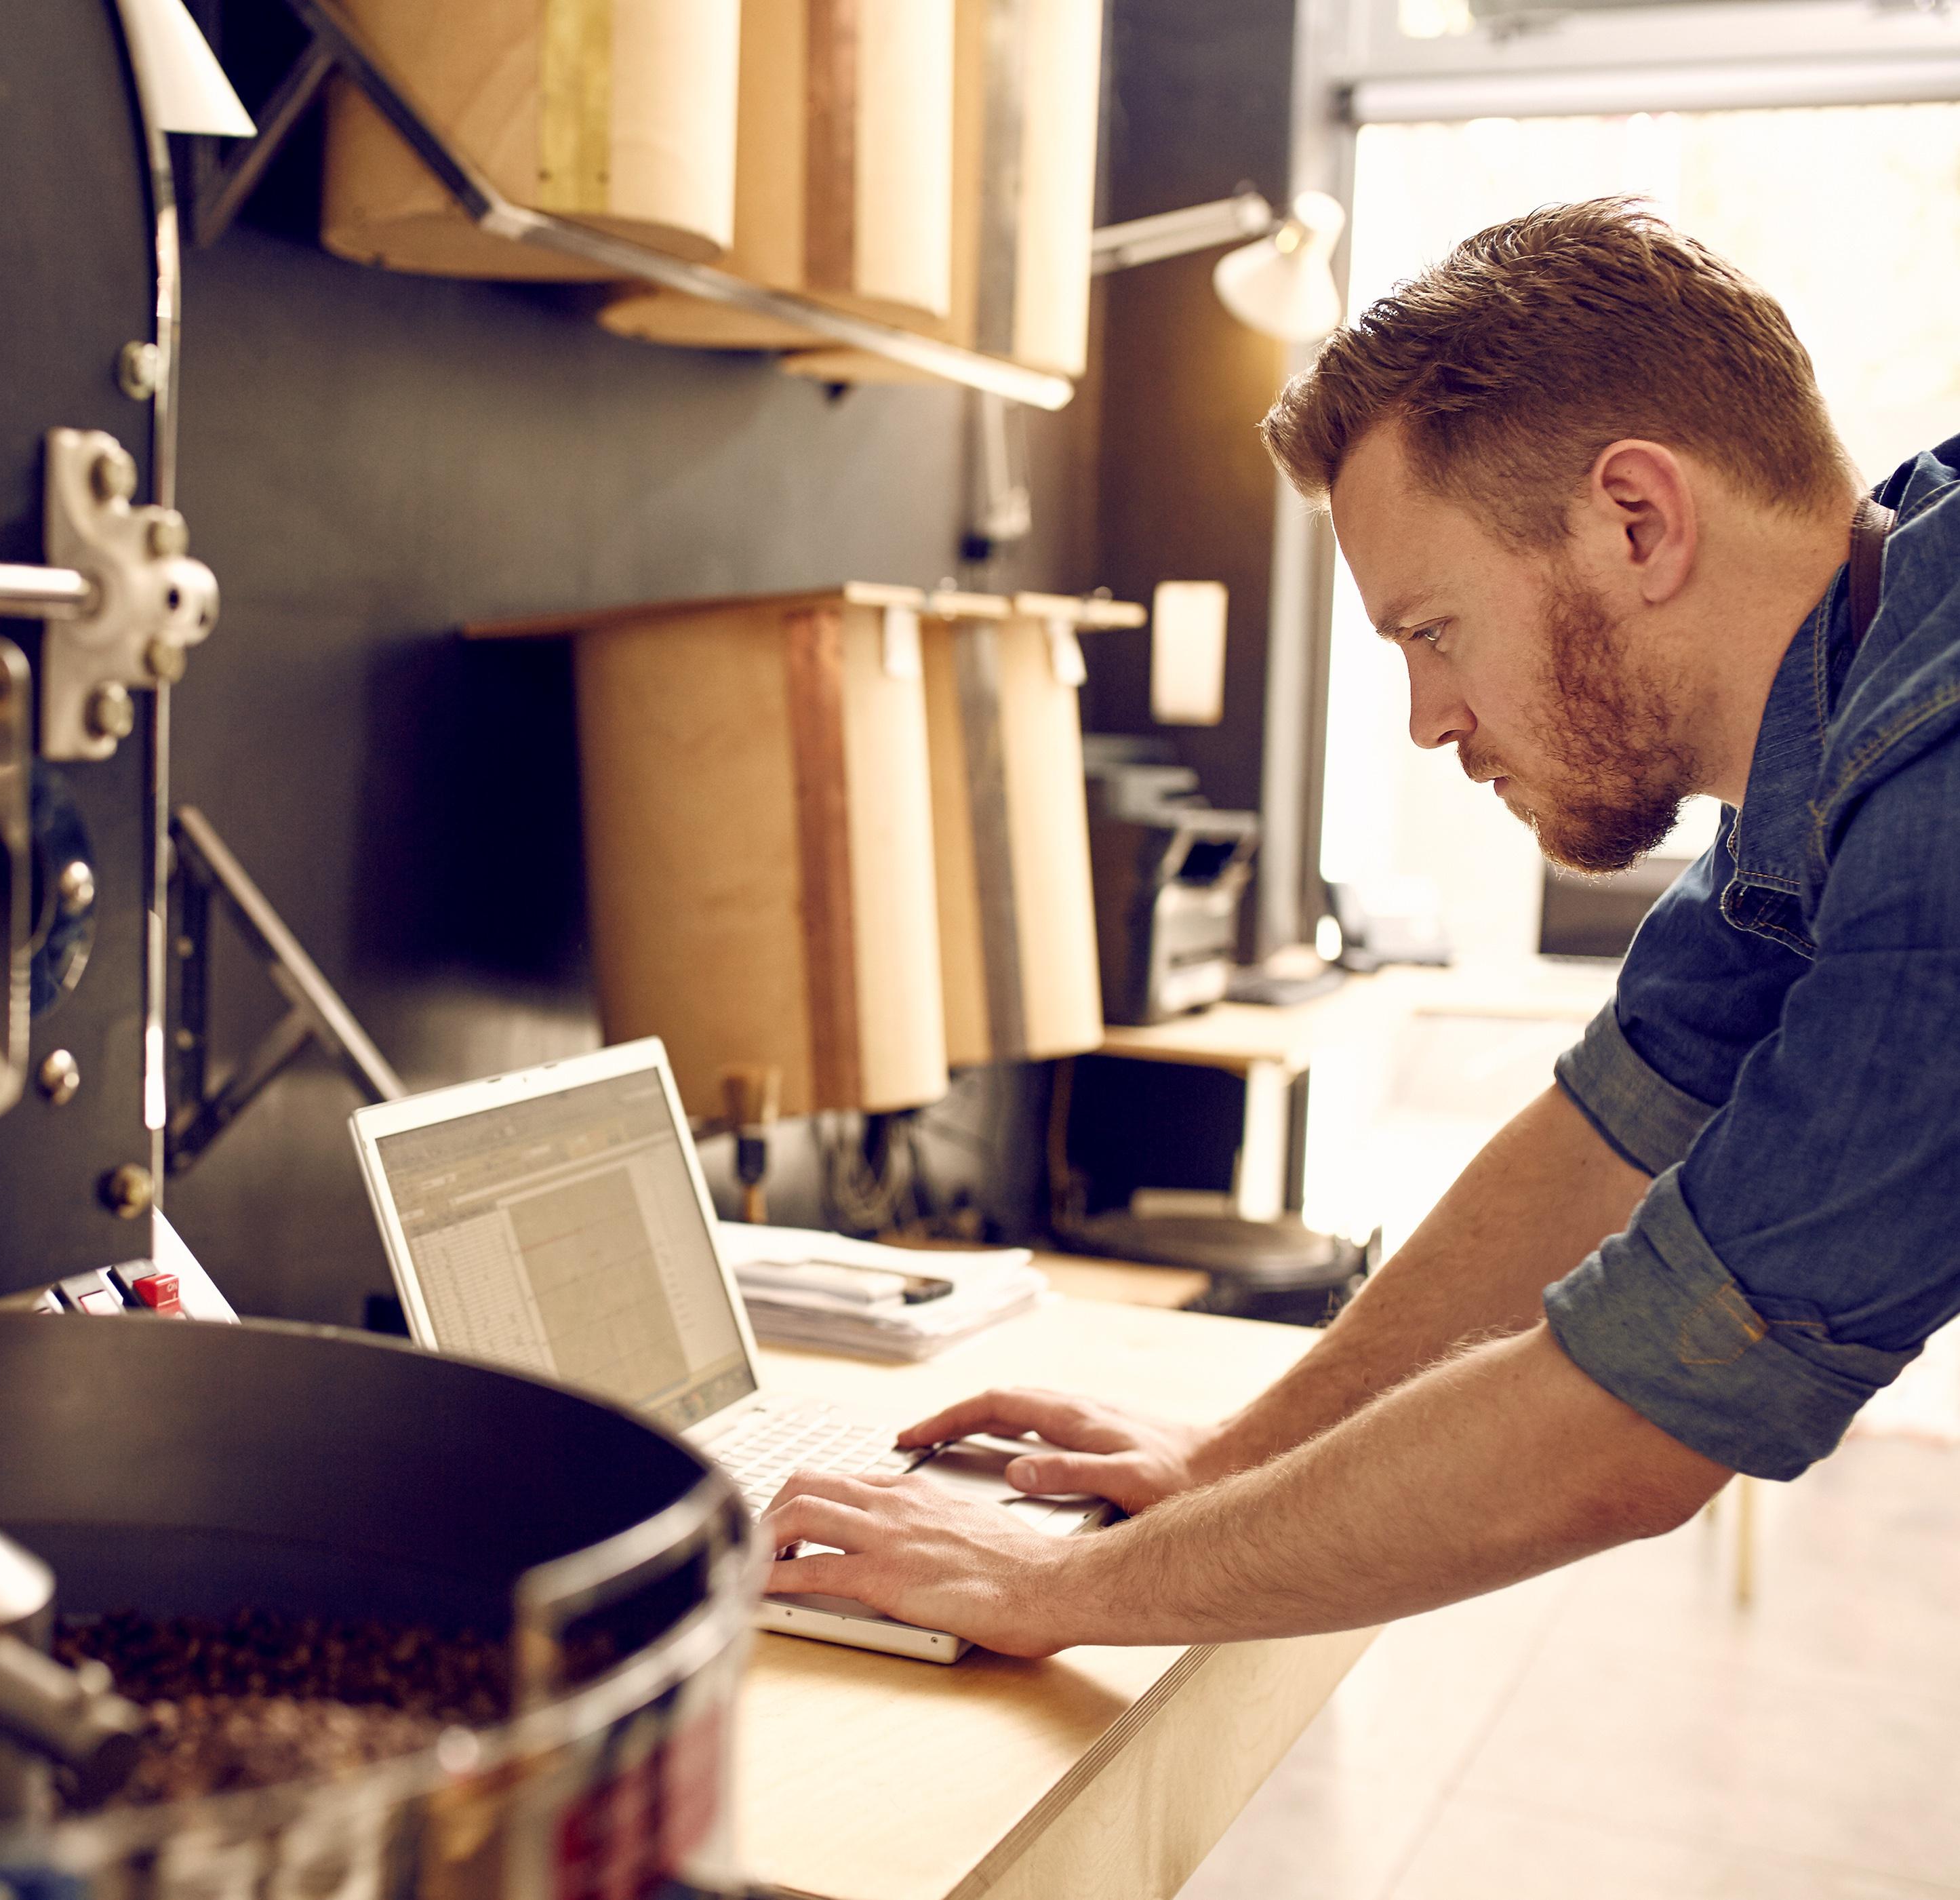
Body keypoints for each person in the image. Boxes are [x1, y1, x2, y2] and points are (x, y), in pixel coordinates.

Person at [763, 197, 1960, 1657]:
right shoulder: (1872, 640)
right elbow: (1611, 1122)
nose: (1426, 720)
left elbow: (1644, 1415)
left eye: (1434, 630)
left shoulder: (1940, 797)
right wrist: (1231, 1455)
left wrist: (1044, 1591)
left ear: (1636, 520)